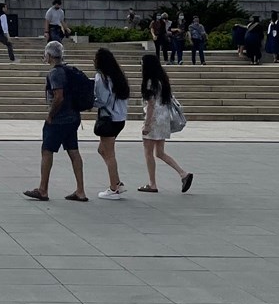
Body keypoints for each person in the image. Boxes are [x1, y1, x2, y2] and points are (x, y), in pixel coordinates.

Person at [23, 41, 87, 202]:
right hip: (73, 117)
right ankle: (81, 190)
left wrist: (51, 115)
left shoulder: (55, 73)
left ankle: (43, 189)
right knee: (73, 151)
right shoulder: (68, 70)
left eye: (45, 54)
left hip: (60, 119)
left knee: (47, 150)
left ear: (50, 56)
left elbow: (58, 96)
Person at [139, 54, 192, 194]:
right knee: (160, 152)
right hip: (164, 118)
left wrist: (147, 124)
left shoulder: (149, 82)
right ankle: (183, 173)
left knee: (148, 152)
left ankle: (152, 183)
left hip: (154, 118)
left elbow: (150, 105)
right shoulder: (162, 80)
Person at [92, 47, 130, 200]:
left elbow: (102, 99)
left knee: (109, 153)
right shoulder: (118, 76)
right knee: (102, 150)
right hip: (119, 118)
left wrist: (90, 103)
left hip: (109, 118)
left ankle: (114, 188)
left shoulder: (102, 77)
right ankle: (117, 182)